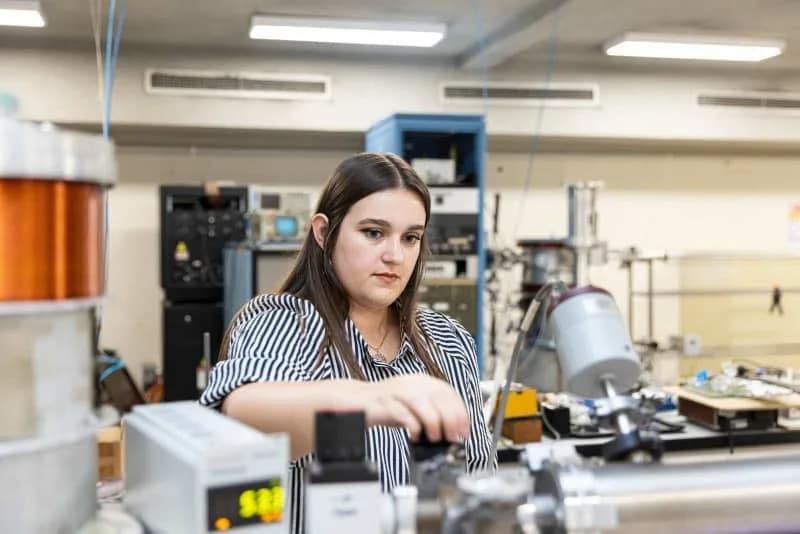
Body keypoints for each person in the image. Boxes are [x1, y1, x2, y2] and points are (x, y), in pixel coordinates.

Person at [200, 152, 495, 533]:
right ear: (324, 232)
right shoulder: (285, 323)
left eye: (411, 238)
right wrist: (376, 398)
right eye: (373, 232)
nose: (394, 255)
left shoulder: (446, 340)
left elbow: (479, 481)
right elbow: (243, 415)